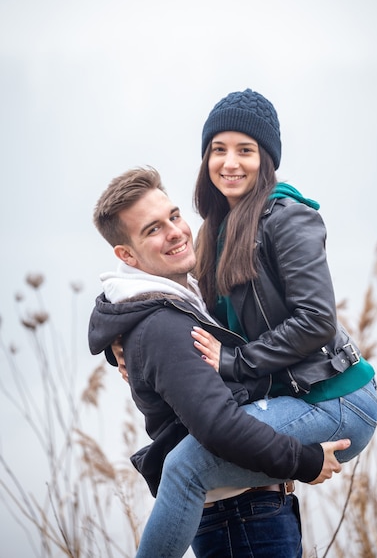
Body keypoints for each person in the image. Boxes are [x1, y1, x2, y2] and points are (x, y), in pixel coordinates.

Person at [88, 166, 353, 558]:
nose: (176, 231)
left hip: (246, 513)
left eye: (174, 216)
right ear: (126, 255)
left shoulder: (181, 298)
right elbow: (219, 425)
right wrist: (305, 460)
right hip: (240, 519)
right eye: (153, 229)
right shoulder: (162, 324)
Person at [187, 87, 377, 555]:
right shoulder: (213, 233)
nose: (230, 162)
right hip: (296, 396)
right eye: (218, 149)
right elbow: (185, 308)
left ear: (265, 160)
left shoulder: (288, 218)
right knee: (196, 462)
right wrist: (122, 347)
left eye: (245, 150)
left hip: (339, 400)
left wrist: (236, 363)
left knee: (188, 466)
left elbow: (316, 320)